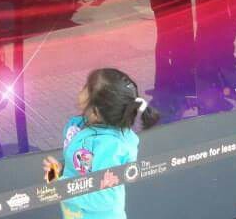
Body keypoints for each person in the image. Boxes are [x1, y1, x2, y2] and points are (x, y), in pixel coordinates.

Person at [42, 68, 159, 219]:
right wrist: (62, 168)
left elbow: (105, 198)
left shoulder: (109, 148)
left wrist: (60, 186)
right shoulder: (83, 125)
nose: (81, 88)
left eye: (86, 87)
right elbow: (80, 166)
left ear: (95, 112)